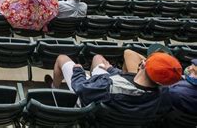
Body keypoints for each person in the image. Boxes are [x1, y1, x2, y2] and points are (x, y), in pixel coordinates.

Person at [45, 49, 182, 118]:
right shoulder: (164, 95)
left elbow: (80, 88)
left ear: (142, 65)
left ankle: (54, 89)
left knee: (62, 58)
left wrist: (78, 71)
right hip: (120, 102)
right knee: (98, 58)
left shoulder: (106, 86)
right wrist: (111, 70)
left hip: (93, 104)